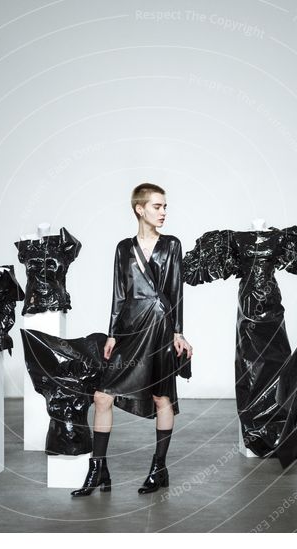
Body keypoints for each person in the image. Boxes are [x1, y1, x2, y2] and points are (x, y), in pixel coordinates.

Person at [72, 183, 193, 496]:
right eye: (157, 206)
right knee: (102, 396)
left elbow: (177, 291)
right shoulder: (123, 248)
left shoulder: (172, 245)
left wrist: (178, 331)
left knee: (161, 397)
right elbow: (118, 293)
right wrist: (112, 333)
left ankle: (159, 467)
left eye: (165, 206)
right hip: (130, 328)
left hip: (160, 327)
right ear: (140, 209)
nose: (163, 212)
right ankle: (98, 468)